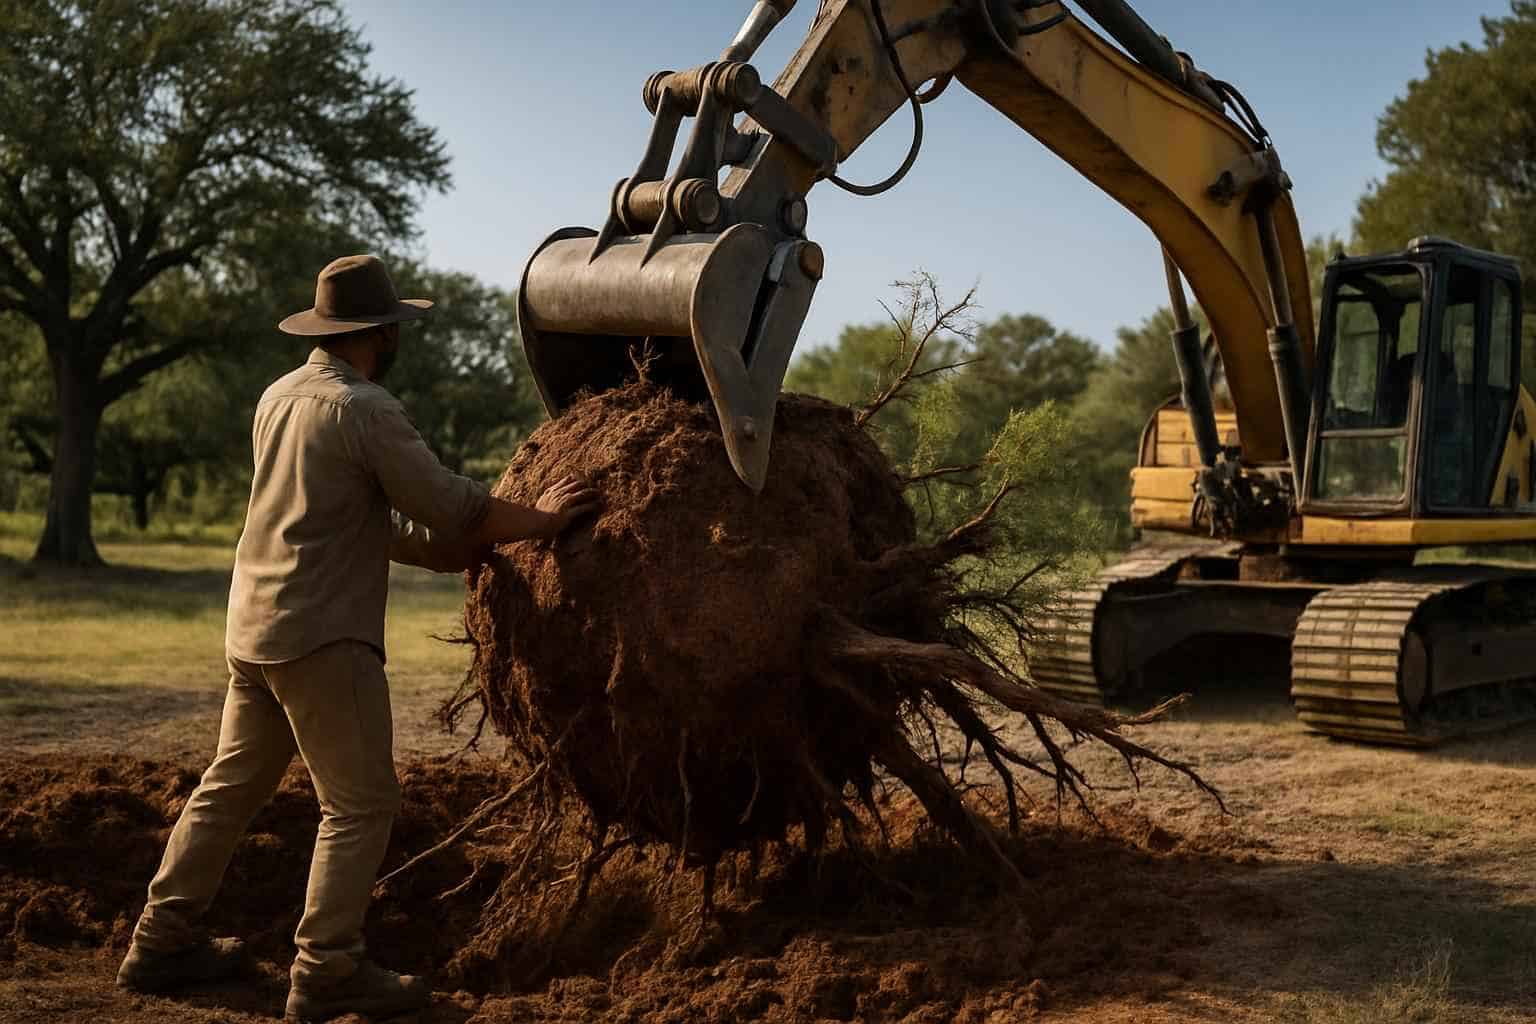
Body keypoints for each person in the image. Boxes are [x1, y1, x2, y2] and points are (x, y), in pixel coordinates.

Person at [115, 255, 598, 1021]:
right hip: (321, 635)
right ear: (380, 333)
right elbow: (451, 504)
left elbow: (377, 521)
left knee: (230, 787)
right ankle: (328, 968)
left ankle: (158, 938)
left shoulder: (280, 397)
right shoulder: (365, 409)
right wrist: (542, 520)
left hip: (254, 630)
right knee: (362, 804)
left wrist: (461, 552)